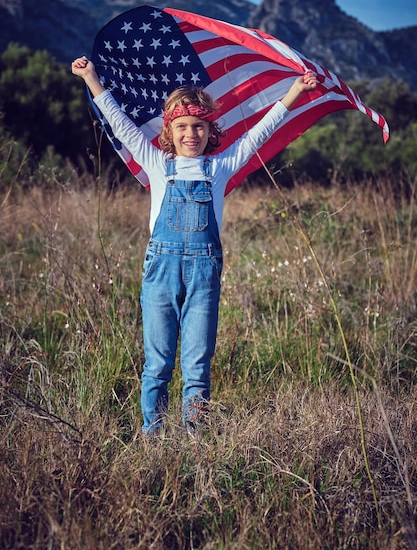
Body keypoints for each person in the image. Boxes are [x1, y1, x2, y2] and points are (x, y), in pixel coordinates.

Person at [72, 56, 317, 434]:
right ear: (169, 131)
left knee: (198, 364)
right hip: (161, 272)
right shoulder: (156, 162)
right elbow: (119, 124)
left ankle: (195, 436)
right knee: (158, 362)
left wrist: (295, 92)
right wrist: (91, 77)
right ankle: (153, 436)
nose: (191, 134)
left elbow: (260, 133)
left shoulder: (220, 166)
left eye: (199, 126)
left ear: (209, 129)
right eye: (183, 126)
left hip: (204, 274)